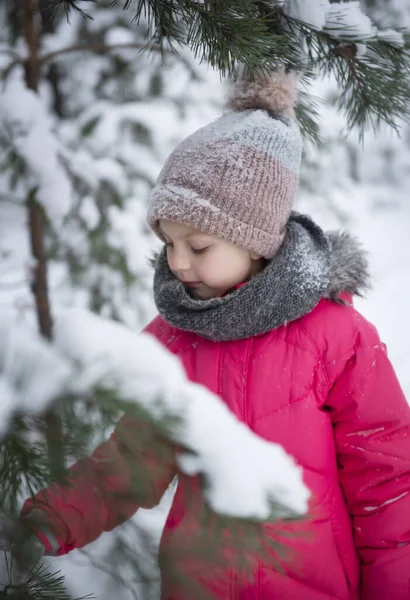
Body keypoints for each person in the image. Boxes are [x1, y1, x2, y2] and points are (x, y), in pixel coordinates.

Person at [15, 69, 410, 599]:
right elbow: (133, 458)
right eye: (167, 242)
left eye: (197, 246)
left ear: (257, 242)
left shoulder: (337, 337)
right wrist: (49, 520)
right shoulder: (173, 339)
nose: (177, 263)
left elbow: (387, 483)